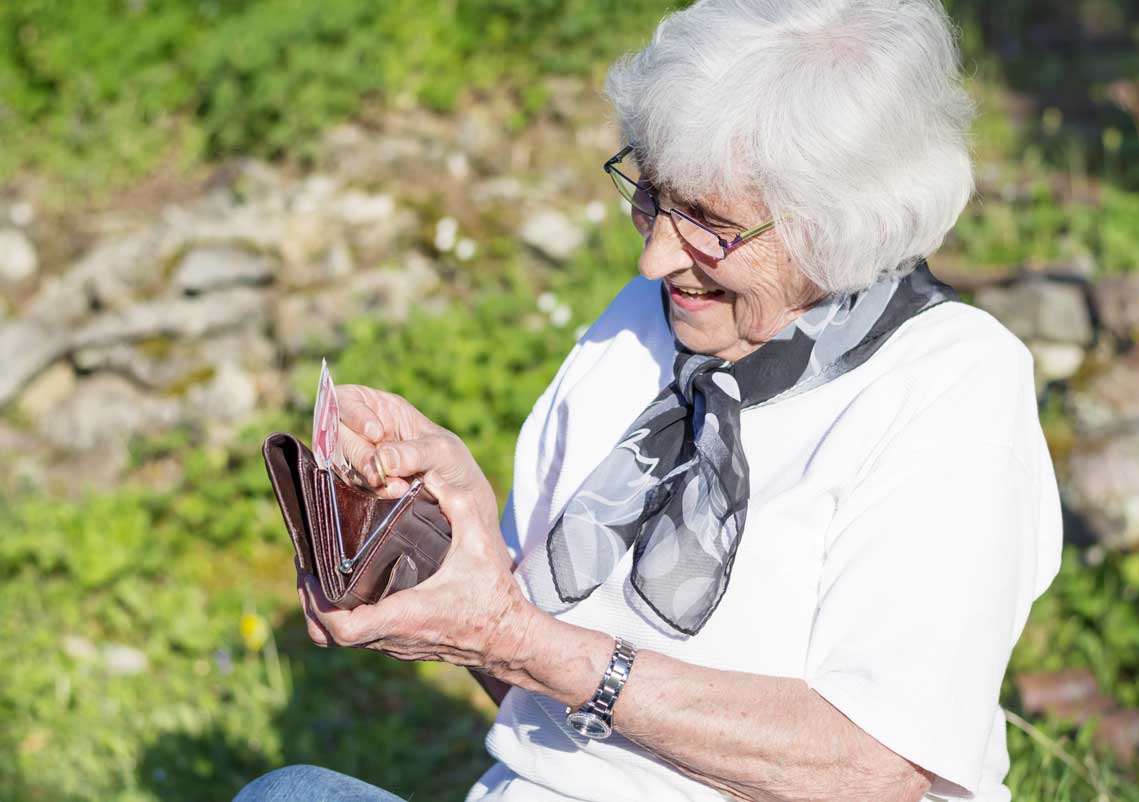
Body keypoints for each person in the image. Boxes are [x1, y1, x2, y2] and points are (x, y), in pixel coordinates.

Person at [233, 1, 1063, 800]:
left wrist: (514, 638)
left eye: (709, 222)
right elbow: (531, 685)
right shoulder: (644, 326)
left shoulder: (951, 384)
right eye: (652, 197)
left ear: (838, 223)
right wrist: (454, 536)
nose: (656, 258)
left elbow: (873, 773)